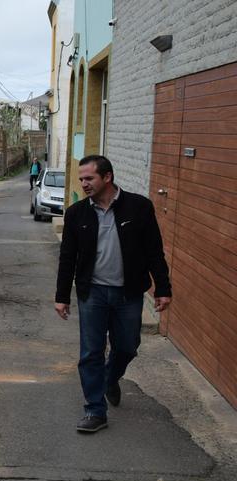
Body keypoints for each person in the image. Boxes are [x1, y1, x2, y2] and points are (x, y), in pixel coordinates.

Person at [55, 154, 172, 433]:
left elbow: (154, 251)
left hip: (127, 294)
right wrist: (62, 296)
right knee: (91, 352)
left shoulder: (139, 207)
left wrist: (163, 288)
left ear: (107, 177)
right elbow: (67, 257)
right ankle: (95, 411)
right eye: (82, 179)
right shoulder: (76, 214)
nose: (83, 183)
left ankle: (110, 377)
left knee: (127, 347)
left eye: (89, 178)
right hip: (92, 293)